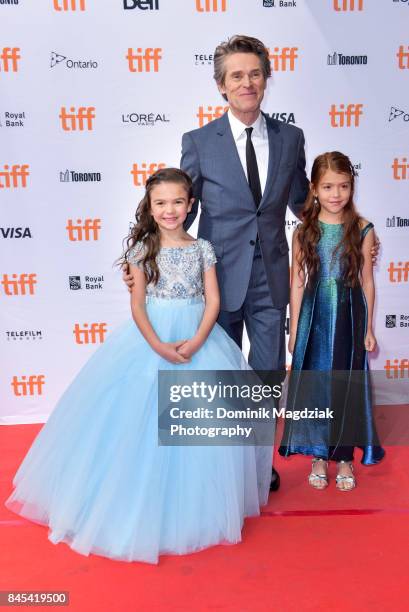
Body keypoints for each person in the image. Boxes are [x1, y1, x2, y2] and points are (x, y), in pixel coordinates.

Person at [6, 168, 270, 564]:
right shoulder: (142, 251)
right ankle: (136, 507)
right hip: (153, 340)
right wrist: (159, 346)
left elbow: (213, 301)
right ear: (150, 206)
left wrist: (197, 340)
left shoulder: (203, 249)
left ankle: (196, 509)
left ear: (191, 205)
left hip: (199, 339)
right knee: (140, 425)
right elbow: (137, 306)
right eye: (161, 202)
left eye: (178, 202)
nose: (170, 210)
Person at [124, 35, 311, 491]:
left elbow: (304, 203)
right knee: (218, 380)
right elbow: (177, 208)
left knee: (266, 378)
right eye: (236, 76)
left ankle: (257, 466)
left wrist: (351, 231)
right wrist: (144, 257)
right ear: (221, 86)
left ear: (267, 78)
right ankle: (218, 470)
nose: (247, 83)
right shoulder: (200, 141)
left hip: (270, 280)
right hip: (214, 284)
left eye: (255, 73)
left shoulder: (291, 138)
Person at [278, 152, 385, 491]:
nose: (336, 194)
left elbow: (367, 281)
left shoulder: (363, 229)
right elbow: (297, 281)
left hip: (350, 314)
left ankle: (344, 458)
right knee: (315, 384)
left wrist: (367, 327)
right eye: (327, 187)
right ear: (313, 188)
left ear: (352, 187)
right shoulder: (304, 231)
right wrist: (295, 329)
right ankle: (318, 455)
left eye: (343, 186)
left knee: (346, 385)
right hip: (314, 314)